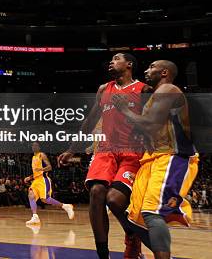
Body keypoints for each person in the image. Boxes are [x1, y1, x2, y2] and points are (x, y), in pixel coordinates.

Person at [58, 53, 150, 259]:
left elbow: (153, 124)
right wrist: (71, 149)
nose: (111, 61)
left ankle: (132, 234)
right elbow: (90, 121)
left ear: (129, 64)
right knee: (96, 192)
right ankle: (103, 255)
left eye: (117, 58)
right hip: (106, 150)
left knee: (115, 200)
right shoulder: (103, 89)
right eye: (111, 59)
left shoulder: (143, 90)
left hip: (132, 151)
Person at [111, 60, 198, 259]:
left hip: (173, 157)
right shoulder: (154, 96)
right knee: (134, 218)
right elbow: (146, 129)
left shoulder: (169, 89)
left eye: (151, 67)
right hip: (151, 159)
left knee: (152, 213)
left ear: (165, 72)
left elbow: (149, 125)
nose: (146, 70)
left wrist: (124, 109)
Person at [24, 142, 74, 225]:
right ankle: (35, 216)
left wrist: (40, 169)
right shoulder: (33, 157)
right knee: (31, 195)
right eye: (33, 145)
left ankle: (65, 206)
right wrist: (30, 177)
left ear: (39, 147)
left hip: (43, 180)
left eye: (36, 145)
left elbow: (49, 167)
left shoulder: (42, 155)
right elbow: (36, 173)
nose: (34, 147)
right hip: (36, 180)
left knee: (45, 199)